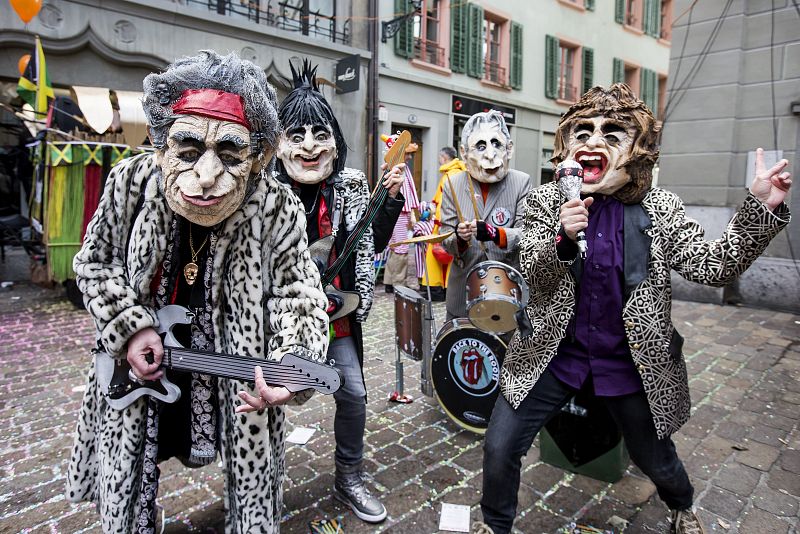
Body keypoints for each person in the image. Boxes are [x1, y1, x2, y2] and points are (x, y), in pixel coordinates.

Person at [475, 84, 792, 534]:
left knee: (655, 458)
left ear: (638, 149)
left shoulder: (660, 208)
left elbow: (713, 266)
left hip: (629, 363)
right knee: (499, 446)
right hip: (552, 356)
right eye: (583, 132)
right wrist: (563, 238)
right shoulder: (546, 203)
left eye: (611, 133)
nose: (592, 141)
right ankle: (495, 525)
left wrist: (759, 207)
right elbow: (536, 280)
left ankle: (682, 506)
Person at [65, 51, 330, 533]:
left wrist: (293, 364)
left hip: (235, 369)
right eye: (187, 151)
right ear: (160, 145)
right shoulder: (130, 182)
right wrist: (130, 328)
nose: (207, 175)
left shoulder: (277, 206)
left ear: (258, 158)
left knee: (252, 481)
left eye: (229, 155)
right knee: (131, 475)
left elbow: (298, 290)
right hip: (144, 365)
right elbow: (95, 262)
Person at [275, 61, 404, 524]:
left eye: (319, 133)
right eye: (297, 135)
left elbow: (370, 242)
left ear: (334, 139)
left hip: (337, 316)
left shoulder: (350, 186)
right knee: (265, 400)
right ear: (279, 143)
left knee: (353, 395)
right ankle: (260, 484)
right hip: (280, 321)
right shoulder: (264, 191)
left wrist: (390, 198)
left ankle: (349, 477)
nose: (309, 146)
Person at [439, 110, 532, 320]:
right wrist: (459, 238)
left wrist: (495, 233)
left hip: (506, 292)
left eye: (497, 144)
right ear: (464, 153)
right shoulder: (453, 184)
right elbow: (445, 238)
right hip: (463, 293)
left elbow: (528, 235)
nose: (490, 155)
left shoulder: (521, 182)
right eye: (480, 146)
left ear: (509, 148)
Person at [418, 147, 466, 301]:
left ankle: (438, 290)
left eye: (440, 158)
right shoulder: (456, 174)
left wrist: (435, 218)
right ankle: (444, 290)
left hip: (445, 225)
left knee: (438, 258)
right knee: (447, 258)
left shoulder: (450, 176)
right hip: (450, 225)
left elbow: (443, 202)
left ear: (444, 158)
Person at [382, 137, 420, 293]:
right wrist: (411, 212)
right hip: (399, 212)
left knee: (395, 246)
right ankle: (399, 284)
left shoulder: (398, 167)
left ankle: (389, 282)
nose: (410, 157)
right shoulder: (397, 169)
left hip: (399, 212)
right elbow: (402, 193)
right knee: (401, 247)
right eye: (407, 153)